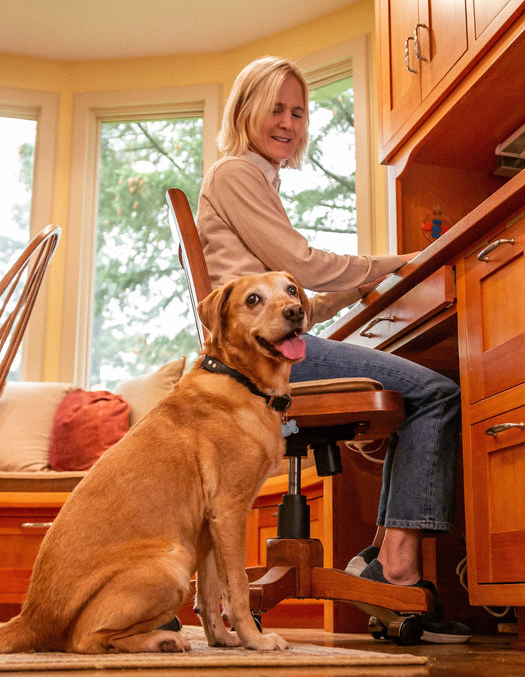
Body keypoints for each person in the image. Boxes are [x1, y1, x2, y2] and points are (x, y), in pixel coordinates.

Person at [195, 56, 470, 643]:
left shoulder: (255, 180)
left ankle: (380, 558)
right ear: (245, 110)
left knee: (412, 396)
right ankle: (395, 569)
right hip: (261, 362)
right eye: (275, 108)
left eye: (298, 112)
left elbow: (296, 297)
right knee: (435, 392)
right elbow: (302, 264)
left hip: (259, 354)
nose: (288, 122)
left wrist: (363, 286)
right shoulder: (236, 173)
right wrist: (396, 263)